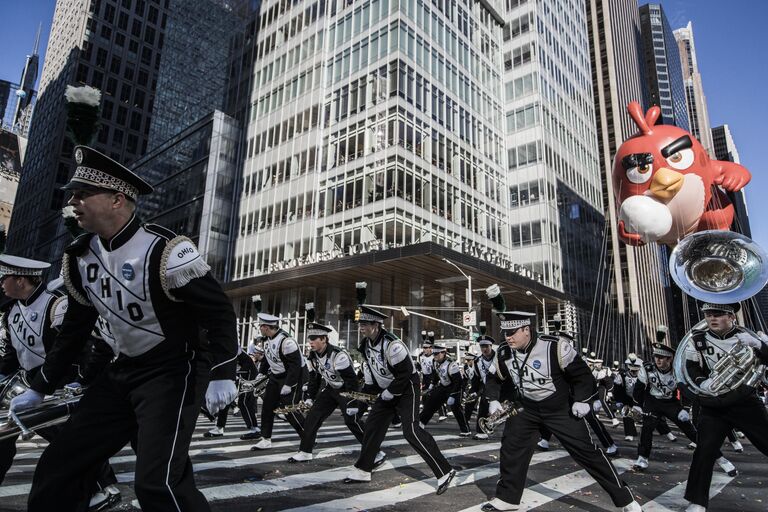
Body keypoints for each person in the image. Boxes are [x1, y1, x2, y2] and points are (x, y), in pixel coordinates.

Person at [9, 146, 238, 512]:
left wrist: (223, 372)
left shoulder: (165, 250)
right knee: (61, 463)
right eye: (73, 194)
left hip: (173, 371)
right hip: (122, 372)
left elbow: (219, 312)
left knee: (158, 482)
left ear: (117, 199)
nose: (73, 201)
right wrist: (41, 387)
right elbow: (75, 330)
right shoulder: (81, 257)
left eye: (83, 194)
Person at [480, 284, 641, 512]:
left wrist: (583, 401)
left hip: (560, 409)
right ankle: (507, 498)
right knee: (511, 449)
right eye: (505, 333)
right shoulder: (505, 351)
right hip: (526, 409)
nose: (508, 338)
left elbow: (583, 376)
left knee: (588, 454)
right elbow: (493, 378)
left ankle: (626, 500)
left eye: (512, 333)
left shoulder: (555, 347)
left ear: (526, 329)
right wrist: (492, 399)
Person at [344, 305, 456, 494]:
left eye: (365, 323)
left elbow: (405, 375)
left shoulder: (392, 344)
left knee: (411, 430)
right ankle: (363, 469)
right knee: (372, 425)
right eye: (360, 323)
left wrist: (390, 392)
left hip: (406, 388)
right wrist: (359, 404)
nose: (361, 327)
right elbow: (371, 378)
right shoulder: (365, 346)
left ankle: (445, 471)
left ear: (376, 325)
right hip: (387, 389)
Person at [683, 302, 768, 512]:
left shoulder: (747, 337)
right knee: (704, 451)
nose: (712, 318)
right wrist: (702, 381)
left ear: (731, 316)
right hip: (713, 404)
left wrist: (759, 346)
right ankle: (697, 502)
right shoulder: (697, 339)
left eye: (718, 314)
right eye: (709, 314)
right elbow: (691, 366)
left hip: (744, 401)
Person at [288, 320, 385, 465]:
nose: (310, 341)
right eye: (309, 338)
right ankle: (305, 451)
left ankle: (377, 452)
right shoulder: (313, 356)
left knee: (352, 421)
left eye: (314, 339)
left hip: (346, 389)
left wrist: (352, 402)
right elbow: (315, 379)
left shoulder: (338, 355)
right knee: (313, 416)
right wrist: (309, 398)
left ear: (324, 339)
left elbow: (351, 380)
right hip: (331, 388)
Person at [632, 343, 735, 475]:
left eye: (662, 357)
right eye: (656, 356)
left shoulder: (678, 370)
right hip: (653, 402)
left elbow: (686, 391)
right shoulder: (647, 368)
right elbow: (639, 389)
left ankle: (721, 459)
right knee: (647, 428)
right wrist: (637, 405)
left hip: (671, 403)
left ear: (670, 359)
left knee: (691, 431)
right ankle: (642, 458)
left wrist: (685, 409)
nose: (658, 360)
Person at [251, 312, 306, 449]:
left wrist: (288, 384)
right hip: (276, 376)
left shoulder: (286, 341)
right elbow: (267, 358)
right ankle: (265, 438)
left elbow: (296, 365)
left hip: (291, 376)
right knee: (267, 407)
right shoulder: (266, 339)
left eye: (261, 326)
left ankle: (307, 435)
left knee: (288, 410)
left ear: (266, 327)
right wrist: (261, 374)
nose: (260, 329)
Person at [612, 353, 676, 442]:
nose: (634, 371)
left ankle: (668, 433)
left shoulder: (646, 375)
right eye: (632, 368)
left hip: (643, 399)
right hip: (629, 399)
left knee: (654, 415)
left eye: (636, 368)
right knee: (627, 414)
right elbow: (617, 389)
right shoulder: (622, 375)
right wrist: (618, 400)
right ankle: (630, 434)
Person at [204, 345, 261, 440]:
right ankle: (219, 428)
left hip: (248, 372)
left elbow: (240, 362)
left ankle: (255, 429)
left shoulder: (226, 343)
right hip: (236, 371)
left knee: (244, 402)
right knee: (226, 400)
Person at [419, 345, 471, 436]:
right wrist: (431, 385)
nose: (435, 356)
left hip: (454, 387)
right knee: (431, 402)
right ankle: (421, 423)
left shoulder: (451, 364)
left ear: (443, 353)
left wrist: (453, 395)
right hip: (443, 386)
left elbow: (458, 382)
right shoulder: (435, 361)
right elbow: (436, 374)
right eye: (434, 354)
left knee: (456, 408)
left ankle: (466, 430)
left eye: (437, 354)